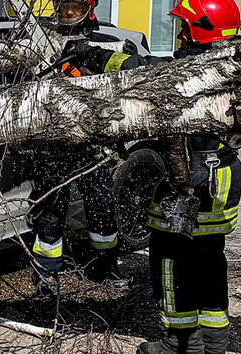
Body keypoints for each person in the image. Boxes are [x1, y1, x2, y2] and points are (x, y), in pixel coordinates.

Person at [28, 0, 169, 295]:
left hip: (95, 145)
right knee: (50, 212)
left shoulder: (109, 43)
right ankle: (46, 271)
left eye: (75, 7)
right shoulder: (40, 43)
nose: (68, 13)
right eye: (63, 6)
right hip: (53, 145)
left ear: (88, 8)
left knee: (103, 208)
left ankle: (105, 265)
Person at [136, 1, 241, 353]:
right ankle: (214, 341)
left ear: (202, 29)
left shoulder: (190, 74)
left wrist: (109, 59)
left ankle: (180, 343)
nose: (180, 33)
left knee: (171, 259)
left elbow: (147, 74)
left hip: (190, 178)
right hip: (223, 175)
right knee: (210, 258)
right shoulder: (237, 69)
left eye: (185, 26)